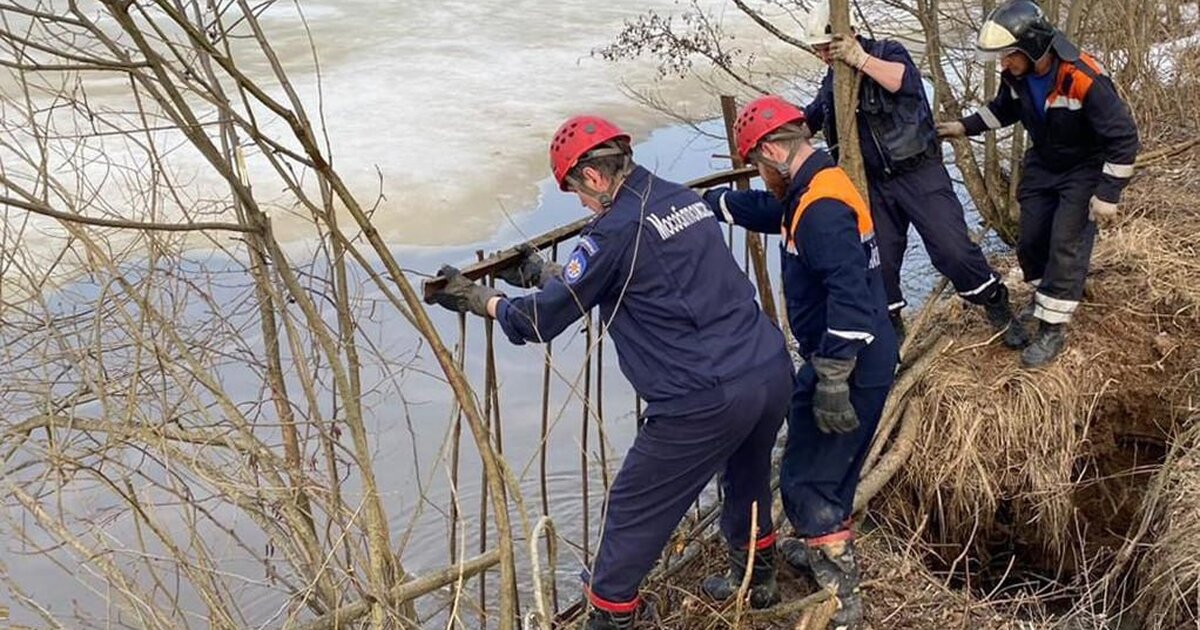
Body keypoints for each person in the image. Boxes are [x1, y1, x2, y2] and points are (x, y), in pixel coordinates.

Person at [426, 116, 794, 628]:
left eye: (575, 190)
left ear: (594, 178)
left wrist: (479, 299)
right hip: (769, 368)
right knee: (746, 474)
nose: (579, 202)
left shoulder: (614, 230)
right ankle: (757, 581)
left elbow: (538, 320)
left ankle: (611, 614)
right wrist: (544, 273)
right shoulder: (679, 199)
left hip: (704, 396)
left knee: (630, 509)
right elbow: (645, 277)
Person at [706, 0, 1024, 347]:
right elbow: (808, 122)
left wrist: (860, 59)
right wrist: (770, 139)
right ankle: (891, 329)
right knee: (877, 260)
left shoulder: (889, 52)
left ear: (851, 34)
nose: (825, 56)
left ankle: (994, 301)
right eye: (819, 51)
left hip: (918, 172)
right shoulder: (833, 86)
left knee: (952, 250)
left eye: (828, 48)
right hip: (874, 185)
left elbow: (901, 80)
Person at [709, 94, 898, 629]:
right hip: (861, 352)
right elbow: (776, 212)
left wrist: (834, 376)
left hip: (851, 359)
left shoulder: (821, 210)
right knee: (830, 466)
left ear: (773, 149)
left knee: (806, 479)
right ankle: (822, 542)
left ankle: (843, 603)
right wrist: (715, 205)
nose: (759, 175)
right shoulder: (816, 184)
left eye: (757, 165)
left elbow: (851, 298)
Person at [938, 0, 1140, 367]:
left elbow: (1124, 138)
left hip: (1084, 167)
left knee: (1066, 240)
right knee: (1030, 237)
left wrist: (1107, 194)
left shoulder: (1083, 77)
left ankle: (1052, 329)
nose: (1003, 63)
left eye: (1008, 55)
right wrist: (963, 127)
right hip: (1044, 163)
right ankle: (1051, 292)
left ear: (1031, 47)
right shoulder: (1016, 75)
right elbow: (1004, 109)